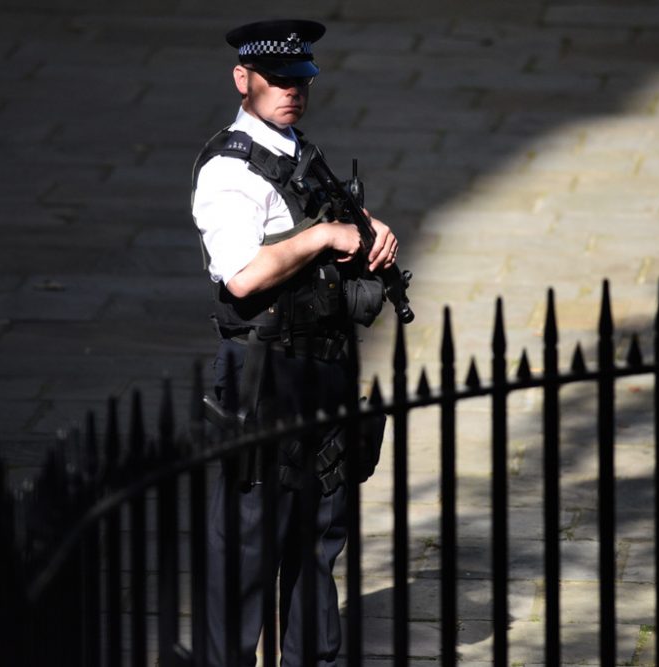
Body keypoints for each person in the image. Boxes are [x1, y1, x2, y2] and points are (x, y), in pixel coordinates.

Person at [189, 19, 399, 667]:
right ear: (242, 79)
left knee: (318, 536)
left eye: (299, 80)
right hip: (266, 371)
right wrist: (323, 240)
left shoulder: (293, 147)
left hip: (323, 365)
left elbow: (322, 210)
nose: (291, 92)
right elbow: (243, 274)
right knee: (250, 544)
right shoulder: (229, 172)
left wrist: (363, 225)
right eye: (277, 81)